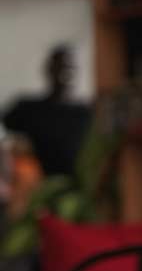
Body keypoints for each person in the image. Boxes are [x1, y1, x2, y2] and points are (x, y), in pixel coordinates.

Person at [2, 45, 91, 177]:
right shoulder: (28, 110)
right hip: (39, 185)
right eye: (59, 66)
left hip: (78, 185)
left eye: (70, 67)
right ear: (49, 69)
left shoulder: (86, 113)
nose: (65, 72)